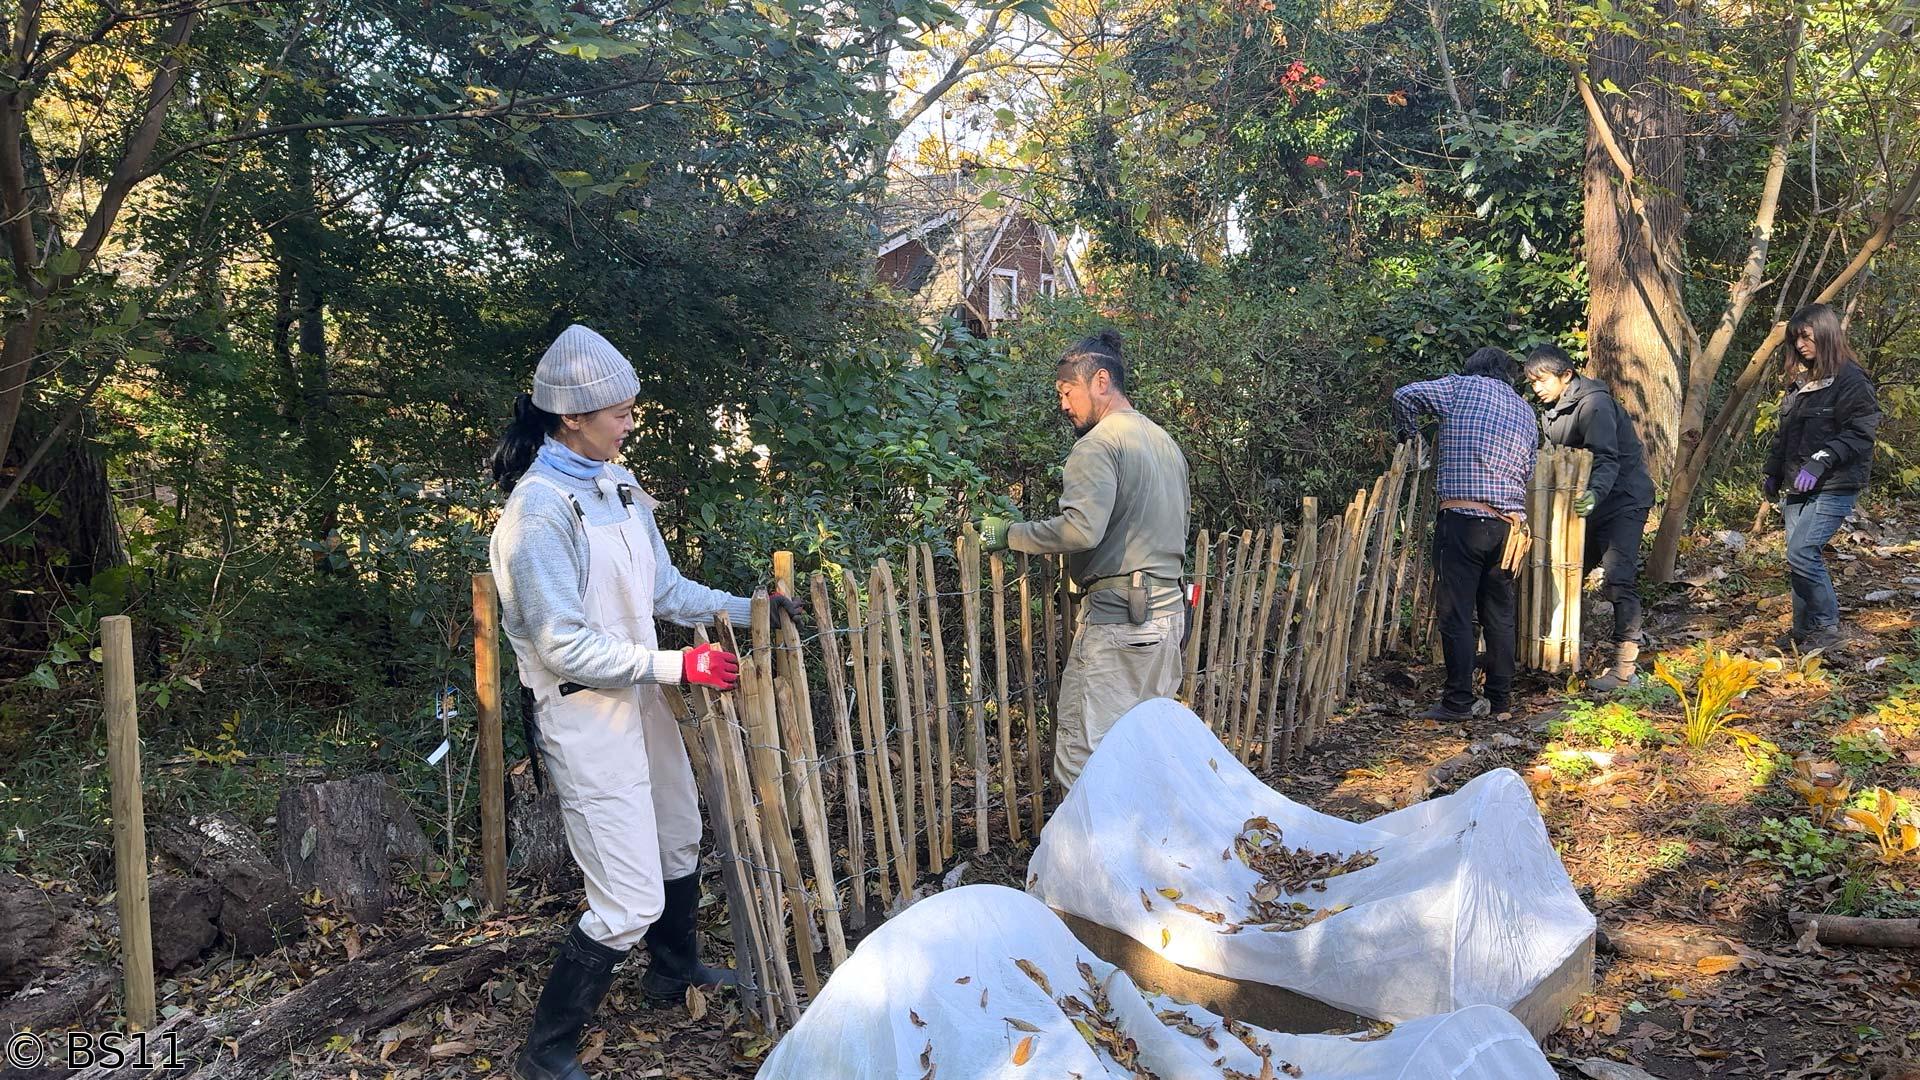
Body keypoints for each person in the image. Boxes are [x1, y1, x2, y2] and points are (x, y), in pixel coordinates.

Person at [488, 324, 802, 1080]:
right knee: (625, 898)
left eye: (632, 408)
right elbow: (562, 643)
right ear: (571, 418)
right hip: (583, 710)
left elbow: (664, 590)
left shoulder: (617, 485)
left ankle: (673, 973)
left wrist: (751, 603)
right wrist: (679, 663)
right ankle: (546, 1054)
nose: (631, 422)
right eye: (620, 413)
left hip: (645, 691)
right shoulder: (537, 515)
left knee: (675, 838)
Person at [976, 329, 1191, 791]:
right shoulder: (1162, 441)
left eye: (1066, 391)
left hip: (1121, 623)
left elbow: (1080, 529)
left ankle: (1089, 863)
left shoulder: (1098, 445)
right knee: (1145, 747)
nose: (1063, 404)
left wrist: (1010, 534)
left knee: (1084, 755)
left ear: (1099, 381)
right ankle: (1146, 854)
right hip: (1167, 617)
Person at [1392, 347, 1539, 721]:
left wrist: (1415, 443)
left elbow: (1404, 396)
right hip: (1509, 529)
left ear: (1472, 369)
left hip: (1463, 518)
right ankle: (1500, 698)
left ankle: (1458, 701)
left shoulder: (1460, 388)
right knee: (1499, 613)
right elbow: (1530, 466)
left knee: (1456, 613)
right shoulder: (1525, 410)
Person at [1522, 345, 1657, 691]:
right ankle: (1566, 656)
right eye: (1532, 381)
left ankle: (1625, 669)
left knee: (1617, 578)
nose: (1536, 387)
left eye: (1542, 380)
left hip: (1622, 499)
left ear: (1566, 376)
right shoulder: (1550, 411)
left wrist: (1595, 493)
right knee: (1568, 572)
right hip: (1586, 503)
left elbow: (1606, 457)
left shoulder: (1595, 405)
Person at [1763, 303, 1882, 653]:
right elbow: (1784, 435)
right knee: (1795, 557)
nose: (1800, 345)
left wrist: (1822, 459)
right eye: (1795, 339)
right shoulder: (1801, 383)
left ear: (1826, 333)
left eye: (1806, 336)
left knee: (1803, 552)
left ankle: (1827, 627)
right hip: (1797, 485)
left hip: (1834, 483)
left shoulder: (1851, 379)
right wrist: (1772, 471)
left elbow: (1861, 431)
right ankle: (1803, 633)